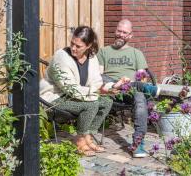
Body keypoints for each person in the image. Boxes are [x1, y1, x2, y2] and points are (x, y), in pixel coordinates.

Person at [40, 26, 128, 156]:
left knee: (106, 102)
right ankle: (80, 140)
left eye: (78, 46)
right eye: (72, 44)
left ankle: (88, 136)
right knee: (91, 105)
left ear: (89, 46)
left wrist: (113, 86)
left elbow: (97, 82)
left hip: (74, 96)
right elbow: (71, 89)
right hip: (54, 98)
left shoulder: (91, 58)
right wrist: (98, 91)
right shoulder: (61, 57)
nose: (73, 48)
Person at [97, 19, 158, 158]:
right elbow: (99, 76)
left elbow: (142, 78)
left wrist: (130, 83)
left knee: (140, 96)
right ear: (115, 31)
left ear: (130, 35)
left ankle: (138, 143)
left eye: (125, 32)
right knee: (104, 78)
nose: (121, 34)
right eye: (119, 31)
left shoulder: (137, 53)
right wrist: (116, 84)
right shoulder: (103, 51)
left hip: (131, 90)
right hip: (111, 89)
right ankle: (150, 89)